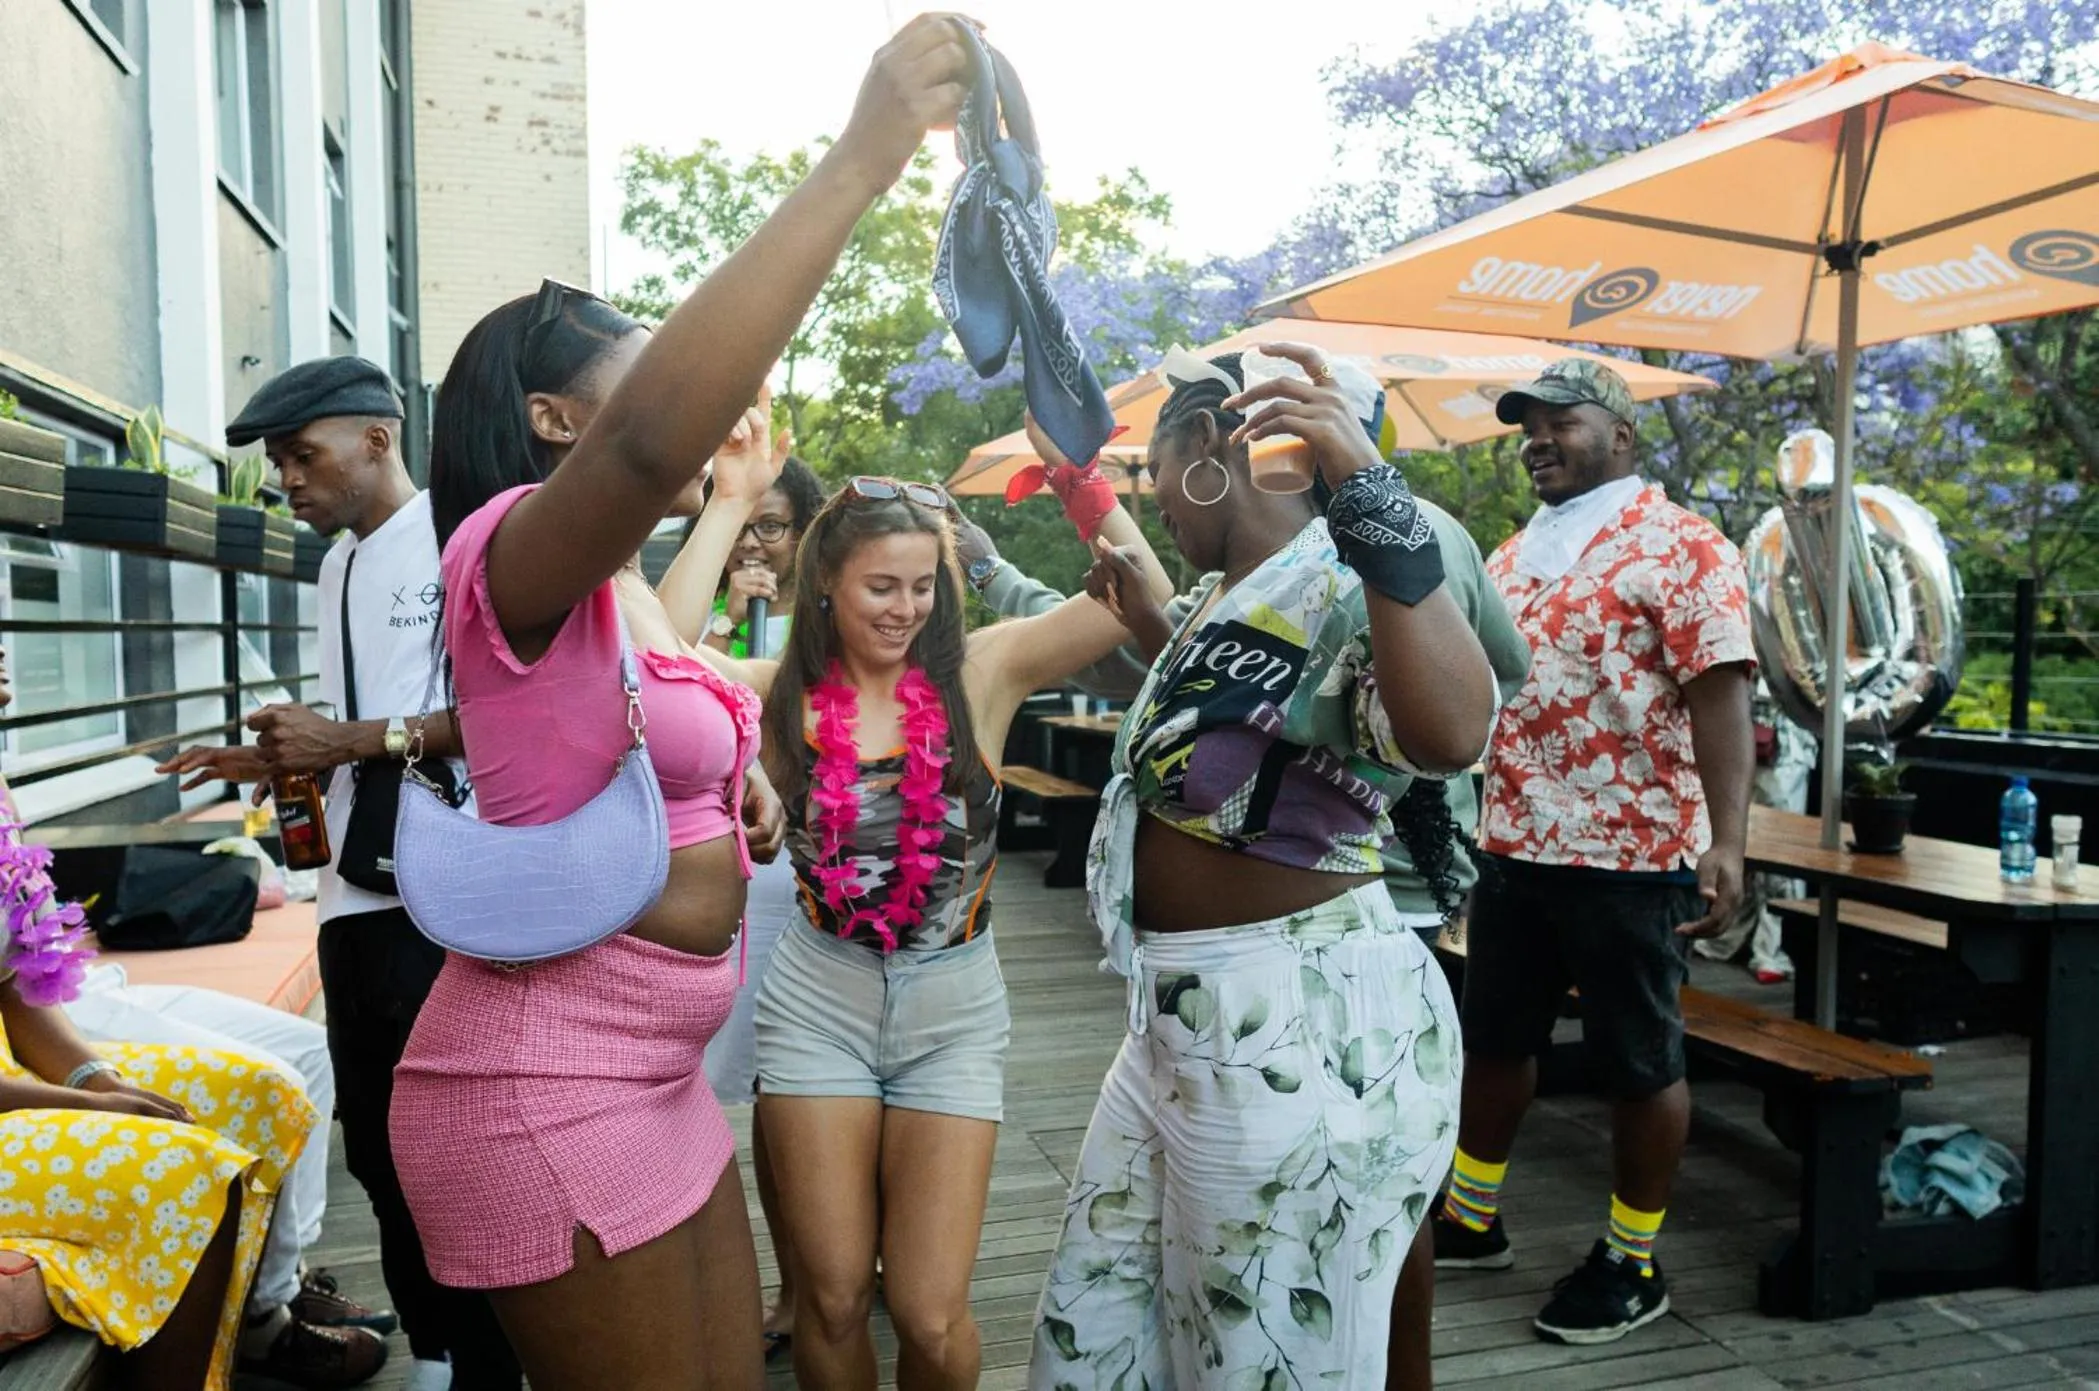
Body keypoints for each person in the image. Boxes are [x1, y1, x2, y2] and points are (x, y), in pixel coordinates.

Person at [390, 21, 969, 1389]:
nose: (677, 381)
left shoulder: (610, 591)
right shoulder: (502, 551)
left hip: (655, 1072)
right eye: (639, 358)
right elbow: (651, 431)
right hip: (541, 1081)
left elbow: (675, 665)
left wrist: (728, 773)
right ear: (548, 418)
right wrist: (859, 160)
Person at [963, 480, 1530, 1391]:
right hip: (1178, 1015)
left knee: (1274, 1343)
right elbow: (1229, 734)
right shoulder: (1235, 590)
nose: (1160, 508)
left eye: (1162, 475)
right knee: (1105, 1323)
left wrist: (1368, 490)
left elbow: (1455, 726)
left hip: (1298, 1012)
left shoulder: (1352, 570)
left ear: (1215, 454)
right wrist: (1140, 598)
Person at [666, 413, 1172, 1389]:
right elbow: (650, 649)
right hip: (819, 1002)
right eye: (879, 586)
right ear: (825, 583)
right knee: (834, 1295)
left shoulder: (981, 672)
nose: (905, 609)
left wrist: (1083, 485)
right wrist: (728, 503)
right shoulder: (777, 693)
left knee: (932, 1317)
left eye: (921, 586)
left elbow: (1144, 602)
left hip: (954, 1009)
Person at [158, 356, 519, 1391]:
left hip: (440, 894)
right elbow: (353, 731)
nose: (287, 480)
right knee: (377, 1146)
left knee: (448, 1150)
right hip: (349, 894)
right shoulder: (334, 565)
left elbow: (500, 715)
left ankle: (487, 1362)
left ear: (378, 437)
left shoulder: (464, 537)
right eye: (276, 463)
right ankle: (438, 1349)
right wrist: (269, 758)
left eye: (300, 455)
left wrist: (343, 736)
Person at [1431, 359, 1755, 1346]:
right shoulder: (1512, 553)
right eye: (1523, 424)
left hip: (1632, 849)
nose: (1534, 437)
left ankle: (1630, 1254)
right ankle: (1471, 1214)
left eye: (1556, 420)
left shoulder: (1684, 546)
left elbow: (1720, 693)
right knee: (1495, 1038)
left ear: (1619, 430)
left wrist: (1727, 841)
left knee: (1636, 1059)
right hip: (1514, 841)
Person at [0, 869, 322, 1389]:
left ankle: (251, 1339)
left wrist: (101, 1083)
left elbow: (15, 992)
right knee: (188, 1171)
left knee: (261, 1096)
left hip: (13, 1073)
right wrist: (84, 1104)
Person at [660, 453, 828, 1361]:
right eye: (743, 524)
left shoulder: (832, 613)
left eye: (775, 525)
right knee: (765, 1081)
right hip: (742, 862)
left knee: (804, 1084)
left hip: (830, 863)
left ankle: (823, 1274)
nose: (757, 541)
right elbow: (680, 687)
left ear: (806, 533)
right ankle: (788, 1279)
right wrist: (727, 612)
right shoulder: (692, 607)